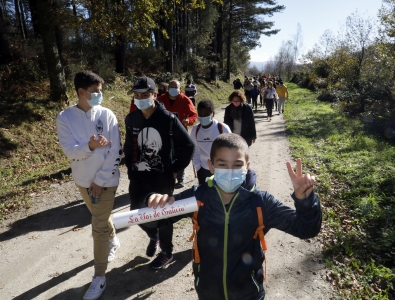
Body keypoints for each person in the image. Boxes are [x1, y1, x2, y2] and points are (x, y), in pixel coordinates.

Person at [145, 133, 322, 300]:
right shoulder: (197, 197)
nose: (230, 171)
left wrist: (305, 200)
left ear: (247, 167)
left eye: (237, 165)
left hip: (249, 294)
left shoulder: (261, 202)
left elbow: (306, 229)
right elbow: (154, 220)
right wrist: (154, 201)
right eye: (222, 164)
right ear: (211, 166)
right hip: (208, 292)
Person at [56, 71, 122, 300]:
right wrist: (90, 146)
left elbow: (115, 151)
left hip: (107, 181)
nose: (99, 96)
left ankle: (99, 277)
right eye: (95, 92)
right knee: (100, 216)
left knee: (99, 227)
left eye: (101, 92)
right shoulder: (65, 117)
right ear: (81, 92)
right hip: (82, 181)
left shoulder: (107, 115)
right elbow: (70, 151)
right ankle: (113, 239)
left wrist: (100, 180)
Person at [124, 76, 195, 269]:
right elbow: (129, 147)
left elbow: (188, 145)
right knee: (136, 213)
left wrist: (175, 170)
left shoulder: (169, 119)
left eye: (145, 95)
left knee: (162, 217)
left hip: (162, 179)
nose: (140, 99)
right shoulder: (131, 118)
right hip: (138, 178)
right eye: (136, 95)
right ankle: (152, 235)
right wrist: (130, 169)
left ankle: (166, 251)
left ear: (155, 95)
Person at [158, 79, 198, 189]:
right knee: (166, 154)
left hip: (180, 132)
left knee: (181, 154)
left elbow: (194, 115)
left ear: (180, 89)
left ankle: (180, 179)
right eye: (171, 87)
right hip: (164, 133)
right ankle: (166, 177)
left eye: (175, 87)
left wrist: (188, 121)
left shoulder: (185, 100)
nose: (173, 90)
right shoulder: (161, 100)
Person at [191, 99, 232, 185]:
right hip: (203, 170)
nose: (202, 118)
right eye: (200, 115)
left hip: (222, 170)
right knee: (205, 196)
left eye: (206, 115)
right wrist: (198, 168)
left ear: (213, 114)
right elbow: (195, 150)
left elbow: (231, 150)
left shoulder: (223, 128)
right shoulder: (195, 130)